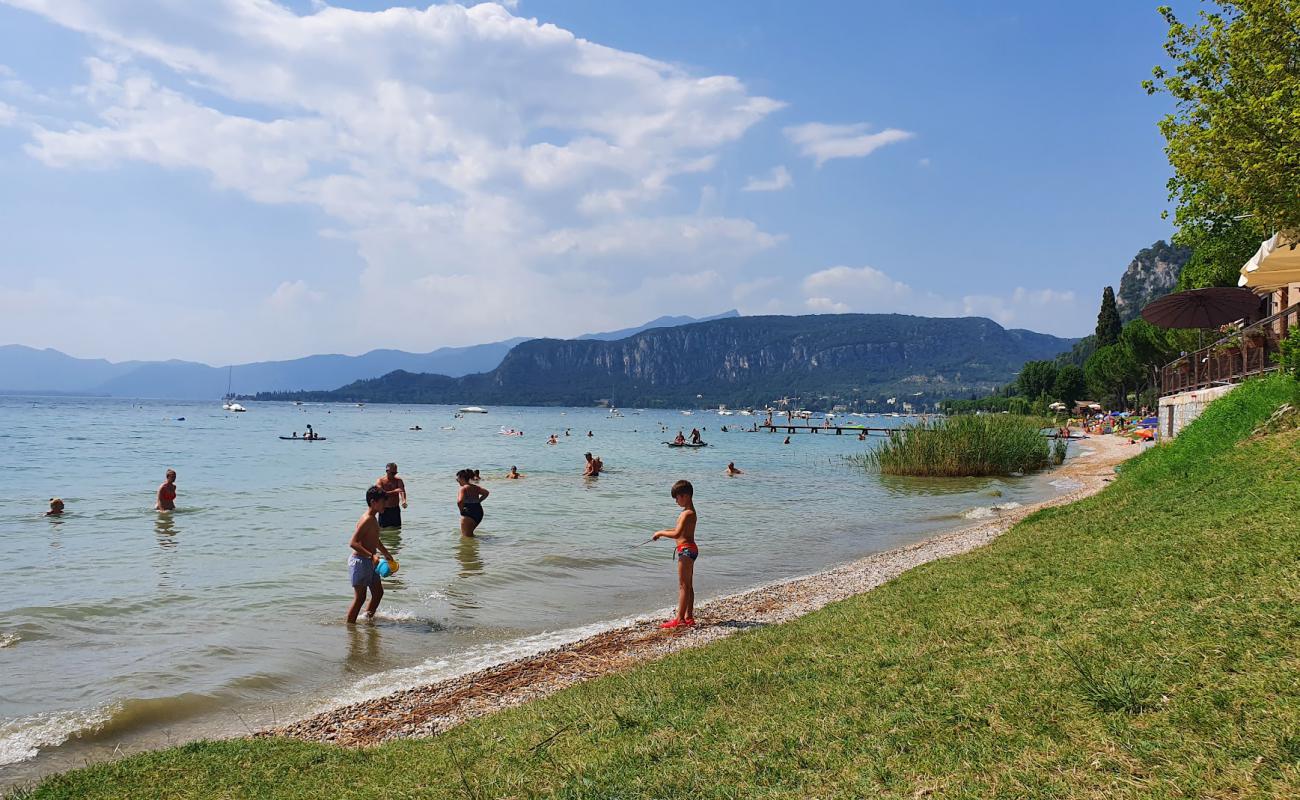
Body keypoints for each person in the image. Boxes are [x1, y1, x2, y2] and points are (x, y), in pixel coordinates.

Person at [652, 479, 698, 629]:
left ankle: (680, 619)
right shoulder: (689, 512)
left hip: (685, 550)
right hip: (690, 549)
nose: (676, 501)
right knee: (689, 585)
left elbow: (677, 533)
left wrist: (660, 532)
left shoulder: (687, 513)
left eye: (677, 498)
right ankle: (688, 617)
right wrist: (662, 532)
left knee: (683, 586)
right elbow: (679, 530)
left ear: (685, 496)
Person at [347, 485, 396, 624]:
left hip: (370, 561)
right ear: (373, 502)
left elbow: (375, 539)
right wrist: (371, 556)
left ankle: (367, 620)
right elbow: (353, 542)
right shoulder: (367, 519)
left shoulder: (374, 518)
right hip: (360, 562)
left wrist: (386, 553)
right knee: (360, 598)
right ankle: (350, 627)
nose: (385, 505)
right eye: (382, 502)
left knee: (378, 593)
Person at [456, 469, 489, 536]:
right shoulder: (476, 487)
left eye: (457, 479)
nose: (457, 481)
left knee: (466, 537)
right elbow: (486, 493)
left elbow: (460, 501)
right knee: (470, 534)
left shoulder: (463, 488)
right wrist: (478, 501)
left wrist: (461, 511)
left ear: (462, 478)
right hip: (479, 512)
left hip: (468, 512)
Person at [375, 463, 407, 530]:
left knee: (397, 530)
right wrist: (395, 491)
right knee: (382, 530)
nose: (394, 474)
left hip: (395, 510)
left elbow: (402, 491)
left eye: (395, 473)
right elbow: (381, 493)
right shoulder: (380, 481)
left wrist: (403, 501)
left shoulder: (398, 480)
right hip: (384, 510)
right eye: (392, 473)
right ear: (387, 471)